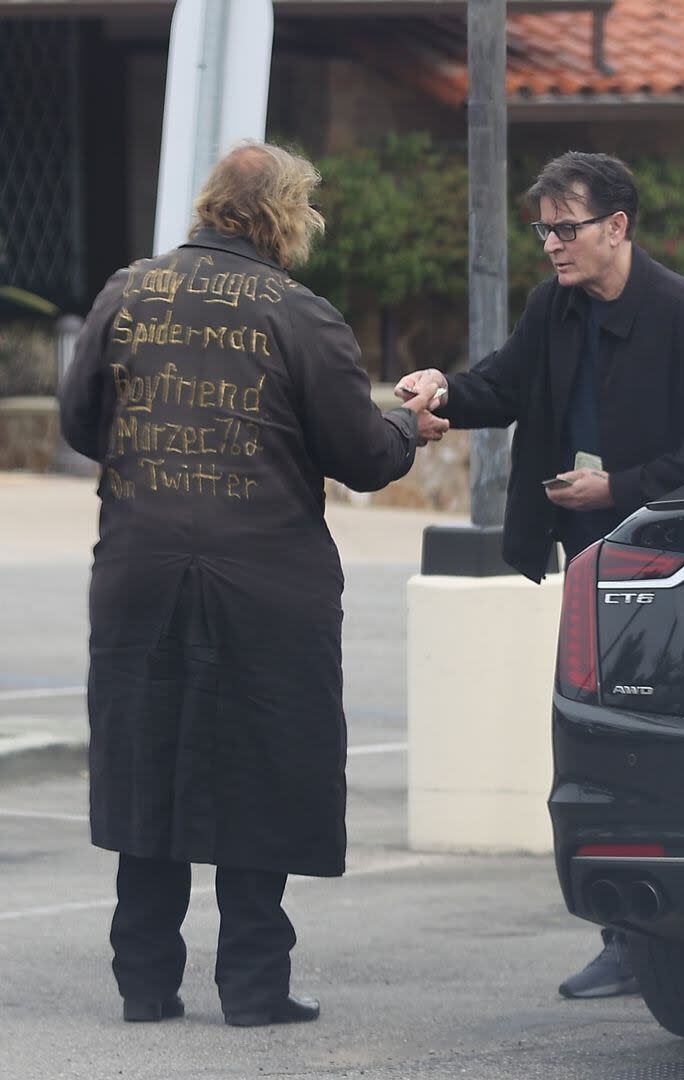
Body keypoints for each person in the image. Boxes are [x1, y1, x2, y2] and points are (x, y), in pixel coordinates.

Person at [59, 141, 448, 1027]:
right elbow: (359, 454)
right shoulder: (300, 315)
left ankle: (146, 985)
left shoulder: (127, 291)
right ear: (283, 215)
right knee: (261, 769)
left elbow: (83, 422)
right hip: (265, 579)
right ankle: (253, 987)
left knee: (147, 763)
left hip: (137, 571)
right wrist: (407, 426)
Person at [395, 151, 684, 999]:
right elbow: (508, 384)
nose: (552, 244)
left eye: (567, 228)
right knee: (593, 740)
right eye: (543, 229)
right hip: (584, 554)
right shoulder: (552, 306)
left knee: (650, 749)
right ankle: (623, 936)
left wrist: (620, 487)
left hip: (665, 567)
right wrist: (441, 391)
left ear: (617, 227)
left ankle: (662, 936)